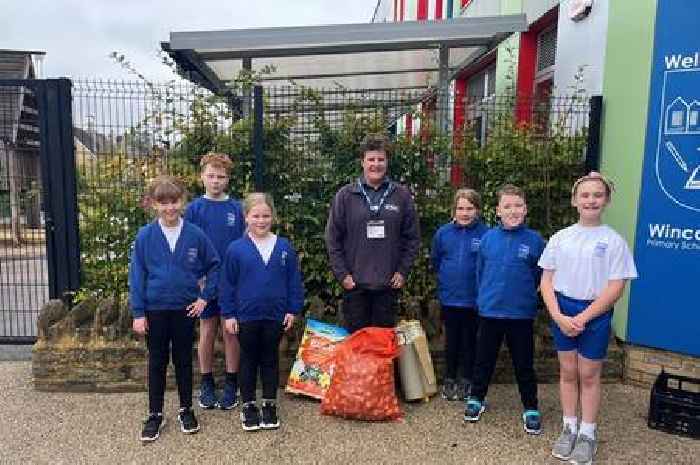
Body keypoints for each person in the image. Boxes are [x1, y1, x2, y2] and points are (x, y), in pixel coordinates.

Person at [539, 172, 637, 464]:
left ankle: (588, 433)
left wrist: (582, 316)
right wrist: (557, 314)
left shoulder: (614, 241)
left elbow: (616, 286)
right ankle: (569, 427)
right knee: (568, 372)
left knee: (589, 375)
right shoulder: (561, 237)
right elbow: (546, 280)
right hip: (563, 312)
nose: (591, 200)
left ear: (606, 200)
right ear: (574, 200)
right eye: (585, 195)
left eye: (597, 195)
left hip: (594, 312)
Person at [129, 175, 220, 442]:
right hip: (155, 310)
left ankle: (185, 409)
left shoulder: (195, 234)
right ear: (153, 204)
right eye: (163, 203)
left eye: (174, 202)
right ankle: (155, 414)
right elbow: (137, 275)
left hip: (185, 309)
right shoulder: (146, 236)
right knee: (157, 361)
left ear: (183, 202)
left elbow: (214, 265)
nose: (169, 208)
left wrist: (204, 298)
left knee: (182, 360)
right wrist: (138, 313)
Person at [464, 184, 545, 435]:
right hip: (490, 312)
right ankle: (476, 398)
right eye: (507, 206)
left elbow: (541, 277)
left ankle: (531, 406)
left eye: (518, 206)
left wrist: (530, 300)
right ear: (498, 211)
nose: (513, 211)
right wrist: (484, 299)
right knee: (483, 360)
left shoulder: (535, 241)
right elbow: (480, 273)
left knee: (524, 364)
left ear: (526, 209)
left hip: (521, 315)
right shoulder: (488, 239)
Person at [220, 193, 304, 432]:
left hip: (275, 315)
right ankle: (248, 405)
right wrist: (229, 314)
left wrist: (292, 309)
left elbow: (293, 281)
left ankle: (269, 403)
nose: (261, 220)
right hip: (246, 316)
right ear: (246, 217)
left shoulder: (284, 246)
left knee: (270, 359)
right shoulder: (236, 249)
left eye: (266, 215)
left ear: (273, 217)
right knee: (248, 359)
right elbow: (227, 285)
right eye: (256, 215)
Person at [325, 133, 420, 333]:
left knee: (383, 348)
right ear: (362, 162)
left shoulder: (401, 195)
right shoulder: (345, 196)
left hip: (387, 287)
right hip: (355, 286)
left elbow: (412, 238)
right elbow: (333, 239)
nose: (376, 164)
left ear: (387, 162)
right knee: (358, 348)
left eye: (381, 159)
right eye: (371, 159)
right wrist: (343, 275)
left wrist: (403, 271)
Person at [185, 153, 245, 411]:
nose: (216, 181)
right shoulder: (194, 209)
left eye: (221, 176)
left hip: (232, 281)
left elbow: (246, 242)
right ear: (202, 177)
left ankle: (232, 382)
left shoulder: (237, 209)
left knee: (231, 330)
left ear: (228, 179)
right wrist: (196, 277)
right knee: (207, 329)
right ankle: (207, 381)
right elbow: (188, 246)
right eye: (211, 176)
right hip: (205, 281)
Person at [431, 188, 488, 401]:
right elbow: (436, 261)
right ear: (453, 210)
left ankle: (466, 379)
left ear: (478, 210)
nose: (465, 213)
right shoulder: (443, 233)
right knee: (451, 340)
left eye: (469, 208)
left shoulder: (486, 234)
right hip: (450, 297)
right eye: (460, 208)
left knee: (470, 341)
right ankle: (449, 378)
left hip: (474, 299)